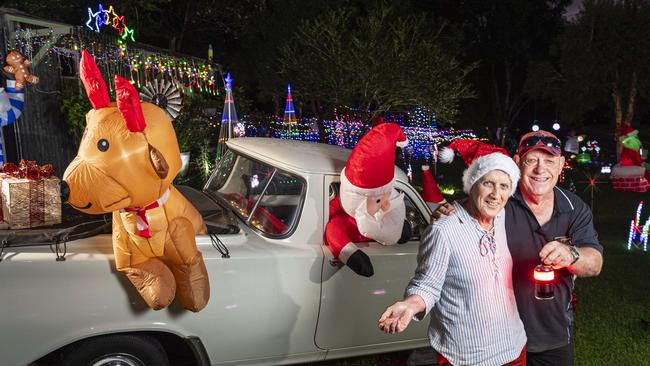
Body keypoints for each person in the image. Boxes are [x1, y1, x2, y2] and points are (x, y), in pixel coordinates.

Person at [434, 130, 604, 366]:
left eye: (549, 161)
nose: (540, 169)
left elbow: (594, 264)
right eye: (531, 160)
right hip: (498, 339)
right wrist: (448, 213)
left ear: (561, 165)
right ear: (517, 163)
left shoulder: (574, 207)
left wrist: (571, 254)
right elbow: (461, 218)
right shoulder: (499, 200)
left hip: (553, 335)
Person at [378, 140, 527, 366]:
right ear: (472, 183)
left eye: (504, 186)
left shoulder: (502, 216)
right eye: (488, 183)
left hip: (513, 347)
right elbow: (427, 284)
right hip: (467, 356)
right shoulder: (443, 230)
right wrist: (409, 304)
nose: (496, 194)